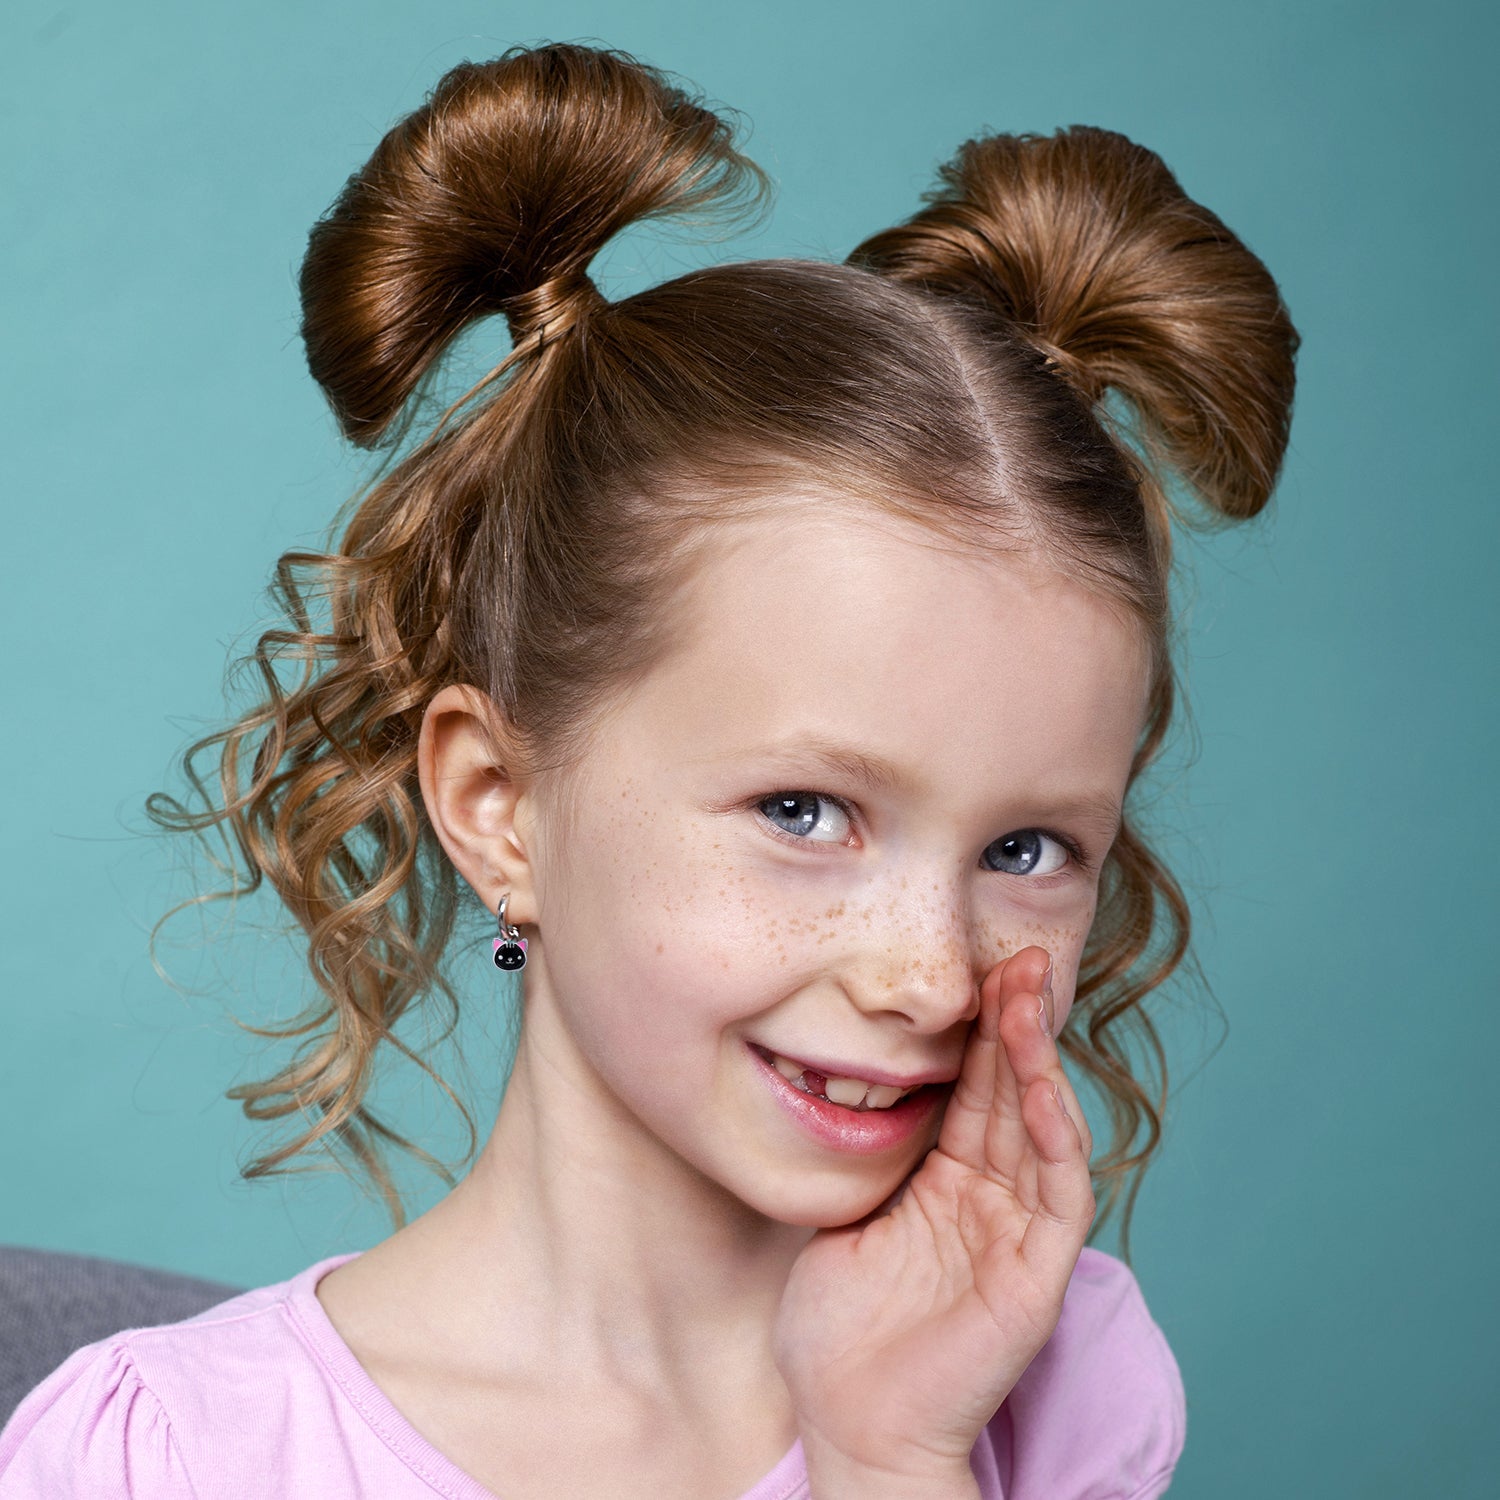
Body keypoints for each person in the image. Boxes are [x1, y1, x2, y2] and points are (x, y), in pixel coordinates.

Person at [0, 40, 1297, 1500]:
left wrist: (890, 1452)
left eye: (1027, 851)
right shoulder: (179, 1461)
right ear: (500, 806)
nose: (930, 980)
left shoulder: (1044, 1390)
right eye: (806, 812)